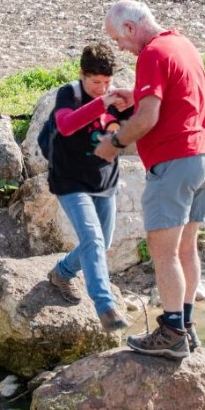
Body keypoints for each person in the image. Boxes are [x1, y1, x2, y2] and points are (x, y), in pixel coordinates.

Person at [94, 0, 205, 360]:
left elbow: (148, 118)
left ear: (131, 28)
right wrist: (135, 95)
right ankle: (188, 326)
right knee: (186, 247)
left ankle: (171, 333)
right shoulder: (180, 43)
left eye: (118, 38)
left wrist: (113, 143)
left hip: (176, 161)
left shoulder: (150, 54)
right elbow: (176, 95)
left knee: (163, 251)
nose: (119, 47)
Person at [47, 42, 133, 333]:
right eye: (96, 82)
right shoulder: (69, 94)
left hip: (105, 182)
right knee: (93, 239)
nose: (102, 87)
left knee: (102, 243)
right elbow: (66, 126)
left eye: (107, 82)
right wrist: (102, 102)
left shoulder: (117, 96)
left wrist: (130, 106)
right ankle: (105, 307)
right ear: (83, 75)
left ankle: (61, 273)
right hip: (70, 182)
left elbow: (133, 129)